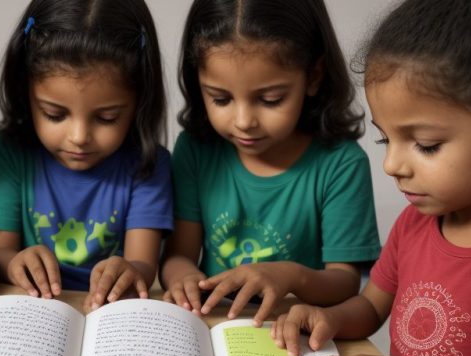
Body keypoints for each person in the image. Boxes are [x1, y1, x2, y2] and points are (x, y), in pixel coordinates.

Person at [273, 0, 471, 356]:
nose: (391, 165)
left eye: (426, 145)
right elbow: (370, 309)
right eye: (386, 139)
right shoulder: (416, 222)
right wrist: (329, 318)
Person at [161, 0, 381, 325]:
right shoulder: (196, 150)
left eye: (270, 99)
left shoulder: (341, 164)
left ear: (314, 76)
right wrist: (184, 278)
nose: (244, 121)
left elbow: (345, 282)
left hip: (290, 330)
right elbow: (179, 255)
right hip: (213, 323)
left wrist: (290, 276)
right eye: (221, 99)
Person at [0, 0, 172, 311]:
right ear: (25, 92)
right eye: (55, 115)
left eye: (107, 118)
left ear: (139, 101)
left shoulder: (148, 163)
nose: (79, 137)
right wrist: (15, 261)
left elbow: (143, 263)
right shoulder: (11, 152)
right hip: (34, 309)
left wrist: (129, 270)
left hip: (108, 311)